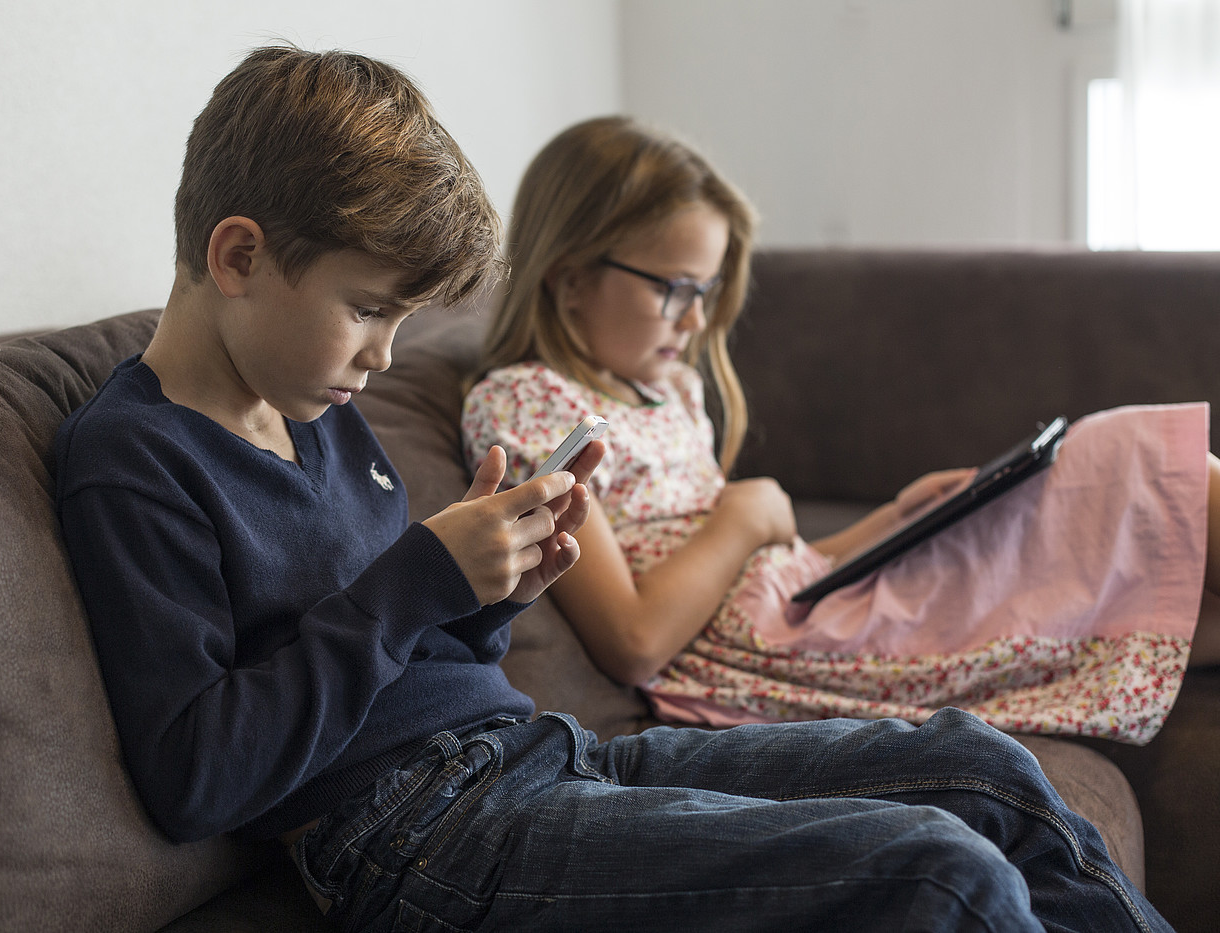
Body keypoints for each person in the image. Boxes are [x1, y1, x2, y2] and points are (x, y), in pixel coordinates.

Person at [56, 48, 1172, 931]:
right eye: (366, 310)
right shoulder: (134, 460)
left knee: (983, 772)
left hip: (538, 757)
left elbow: (412, 655)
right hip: (414, 839)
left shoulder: (318, 408)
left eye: (402, 321)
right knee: (935, 877)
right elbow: (197, 776)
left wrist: (491, 592)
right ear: (238, 256)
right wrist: (412, 586)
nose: (384, 357)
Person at [462, 114, 1219, 748]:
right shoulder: (530, 404)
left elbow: (788, 567)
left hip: (803, 607)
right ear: (568, 278)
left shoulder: (670, 390)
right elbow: (635, 641)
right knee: (1119, 468)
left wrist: (895, 518)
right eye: (675, 290)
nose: (696, 319)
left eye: (709, 290)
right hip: (778, 652)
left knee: (1121, 525)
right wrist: (741, 515)